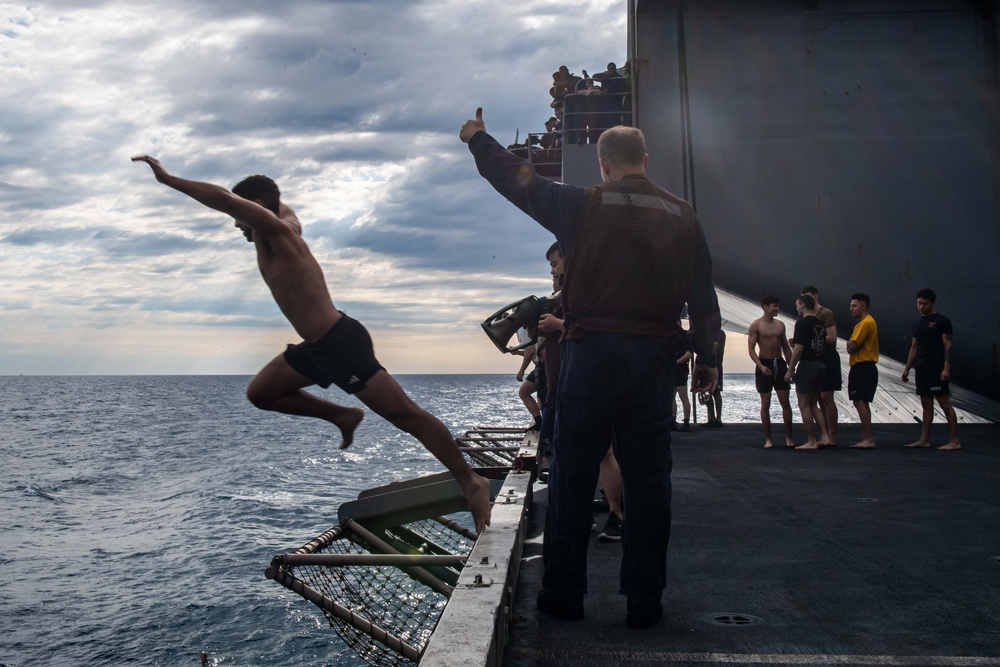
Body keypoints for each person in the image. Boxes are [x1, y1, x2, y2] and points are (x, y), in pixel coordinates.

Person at [131, 156, 492, 532]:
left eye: (240, 217)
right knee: (262, 393)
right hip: (318, 348)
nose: (236, 225)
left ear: (255, 210)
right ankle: (342, 415)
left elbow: (229, 201)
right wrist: (271, 194)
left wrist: (168, 179)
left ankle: (470, 481)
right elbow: (276, 205)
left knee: (406, 416)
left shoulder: (277, 233)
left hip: (341, 344)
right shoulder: (287, 224)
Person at [461, 110, 721, 629]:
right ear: (645, 162)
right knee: (650, 483)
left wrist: (478, 139)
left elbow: (516, 179)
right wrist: (708, 361)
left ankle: (564, 594)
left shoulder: (580, 203)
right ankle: (644, 601)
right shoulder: (684, 214)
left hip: (591, 358)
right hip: (653, 363)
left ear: (603, 165)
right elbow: (703, 298)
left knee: (573, 477)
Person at [536, 242, 623, 543]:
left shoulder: (589, 292)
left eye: (556, 263)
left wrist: (557, 324)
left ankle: (617, 516)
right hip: (562, 386)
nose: (553, 270)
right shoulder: (565, 296)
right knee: (570, 452)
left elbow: (599, 330)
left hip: (586, 383)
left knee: (603, 452)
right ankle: (581, 514)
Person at [901, 288, 961, 450]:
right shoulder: (917, 323)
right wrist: (907, 369)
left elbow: (948, 345)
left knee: (944, 402)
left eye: (925, 304)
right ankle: (924, 439)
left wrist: (946, 368)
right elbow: (914, 347)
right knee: (926, 403)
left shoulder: (942, 321)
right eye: (919, 304)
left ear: (933, 303)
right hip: (922, 367)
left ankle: (954, 440)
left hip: (937, 367)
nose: (921, 307)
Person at [747, 295, 794, 448]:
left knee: (784, 401)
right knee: (765, 402)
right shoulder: (756, 325)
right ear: (766, 307)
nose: (777, 309)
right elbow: (751, 349)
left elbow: (786, 348)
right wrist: (760, 366)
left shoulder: (780, 325)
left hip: (779, 364)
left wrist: (791, 367)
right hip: (764, 364)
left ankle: (789, 437)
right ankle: (768, 439)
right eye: (774, 306)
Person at [785, 294, 830, 450]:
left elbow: (799, 349)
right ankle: (825, 436)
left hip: (807, 366)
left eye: (797, 304)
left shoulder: (802, 323)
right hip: (820, 365)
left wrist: (790, 370)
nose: (796, 307)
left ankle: (811, 441)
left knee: (804, 404)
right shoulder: (819, 324)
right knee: (814, 404)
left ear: (803, 305)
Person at [801, 286, 839, 445]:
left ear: (815, 296)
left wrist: (811, 342)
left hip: (828, 357)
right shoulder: (808, 317)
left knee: (827, 397)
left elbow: (832, 337)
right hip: (817, 358)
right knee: (819, 398)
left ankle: (832, 435)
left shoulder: (825, 313)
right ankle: (825, 434)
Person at [846, 293, 879, 449]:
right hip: (864, 367)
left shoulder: (865, 323)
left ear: (863, 306)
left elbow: (852, 346)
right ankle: (868, 437)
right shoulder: (867, 322)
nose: (851, 309)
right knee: (859, 400)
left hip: (863, 367)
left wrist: (849, 344)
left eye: (854, 306)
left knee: (860, 401)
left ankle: (868, 438)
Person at [704, 329, 726, 426]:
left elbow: (714, 347)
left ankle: (718, 419)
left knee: (716, 392)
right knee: (706, 392)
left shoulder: (719, 333)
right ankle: (711, 418)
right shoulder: (705, 332)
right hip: (705, 366)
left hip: (716, 366)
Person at [672, 331, 692, 432]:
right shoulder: (672, 335)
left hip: (680, 370)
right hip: (673, 370)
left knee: (683, 396)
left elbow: (689, 354)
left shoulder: (683, 336)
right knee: (671, 396)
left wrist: (676, 362)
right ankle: (672, 421)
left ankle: (686, 422)